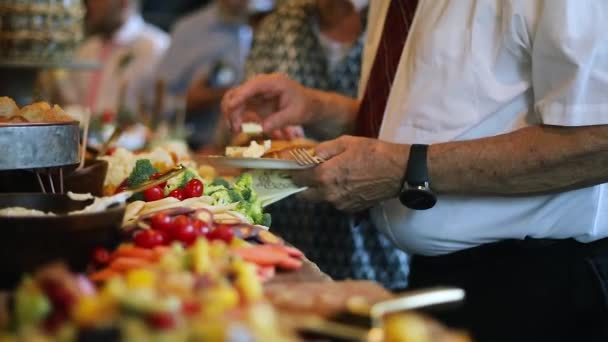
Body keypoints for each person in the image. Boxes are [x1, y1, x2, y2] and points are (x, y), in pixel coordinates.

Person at [222, 0, 608, 341]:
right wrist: (318, 107)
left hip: (541, 286)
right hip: (440, 278)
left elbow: (599, 142)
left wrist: (402, 168)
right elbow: (430, 127)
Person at [245, 0, 409, 290]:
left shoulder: (397, 18)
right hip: (283, 231)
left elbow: (412, 126)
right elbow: (246, 125)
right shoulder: (279, 24)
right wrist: (257, 129)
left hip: (373, 245)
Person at [155, 0, 253, 149]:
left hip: (256, 146)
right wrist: (189, 101)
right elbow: (156, 103)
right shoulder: (188, 30)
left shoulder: (275, 22)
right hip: (196, 146)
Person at [54, 0, 169, 116]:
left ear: (124, 2)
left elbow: (165, 108)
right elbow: (70, 100)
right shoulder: (87, 48)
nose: (90, 4)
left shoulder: (157, 48)